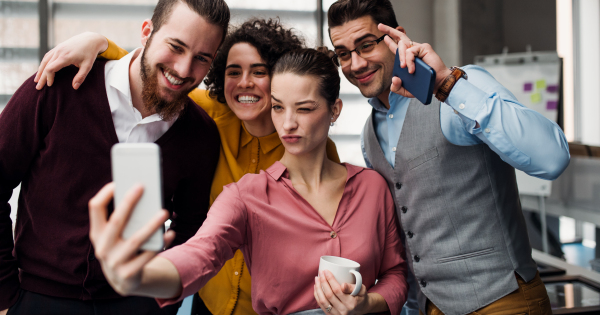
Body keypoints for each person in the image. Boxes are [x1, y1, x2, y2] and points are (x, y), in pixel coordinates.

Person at [34, 18, 340, 315]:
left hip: (270, 307)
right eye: (234, 71)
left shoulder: (311, 145)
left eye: (259, 72)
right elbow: (158, 75)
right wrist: (99, 44)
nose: (244, 83)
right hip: (210, 300)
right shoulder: (211, 111)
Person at [87, 48, 409, 315]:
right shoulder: (247, 197)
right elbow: (201, 254)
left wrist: (368, 304)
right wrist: (138, 277)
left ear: (334, 110)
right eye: (279, 108)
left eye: (305, 109)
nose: (288, 123)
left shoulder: (372, 187)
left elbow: (395, 274)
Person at [326, 0, 570, 315]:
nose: (355, 63)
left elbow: (551, 158)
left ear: (396, 38)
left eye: (366, 45)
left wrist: (447, 85)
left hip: (503, 301)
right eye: (343, 53)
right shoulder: (369, 135)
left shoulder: (460, 88)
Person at [0, 0, 228, 315]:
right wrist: (5, 297)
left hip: (137, 305)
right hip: (36, 298)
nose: (183, 69)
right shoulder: (58, 87)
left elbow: (190, 228)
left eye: (201, 58)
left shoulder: (201, 134)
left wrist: (160, 304)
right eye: (176, 47)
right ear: (146, 31)